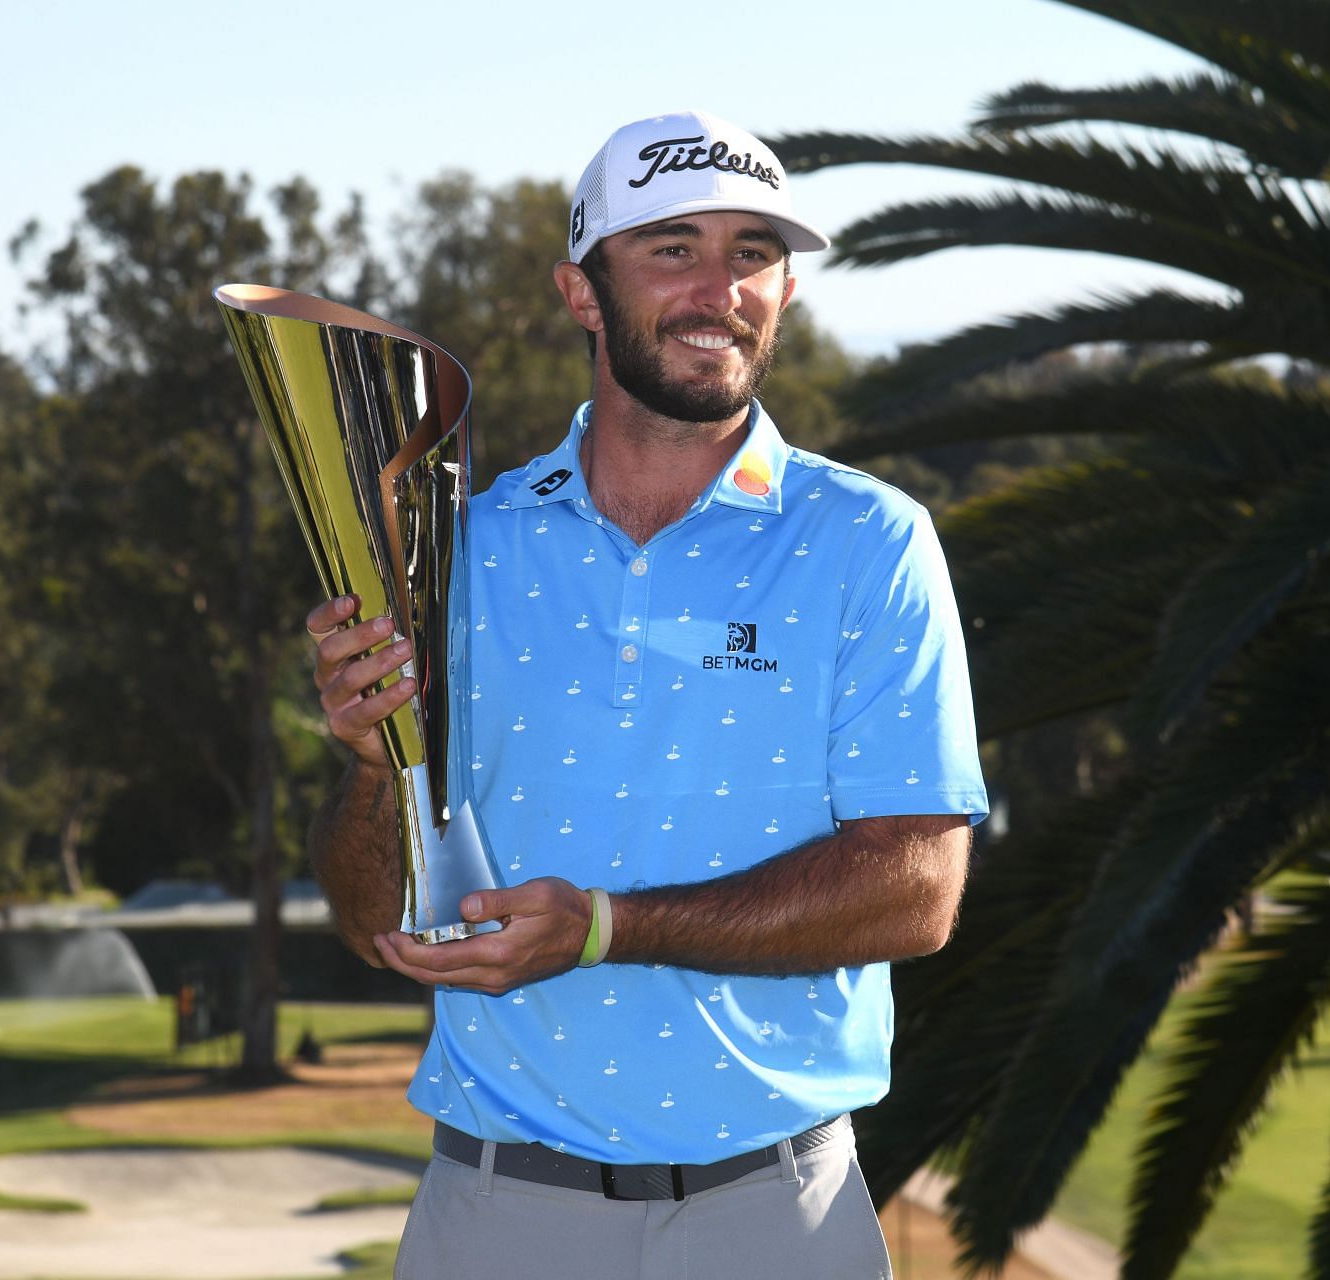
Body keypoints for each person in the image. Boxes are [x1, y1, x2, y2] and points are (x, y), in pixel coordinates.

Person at [303, 110, 987, 1279]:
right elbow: (377, 926)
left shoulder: (869, 540)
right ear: (582, 290)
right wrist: (376, 767)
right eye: (673, 247)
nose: (719, 286)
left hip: (778, 1216)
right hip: (498, 1211)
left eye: (755, 252)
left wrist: (608, 928)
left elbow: (916, 888)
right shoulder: (459, 553)